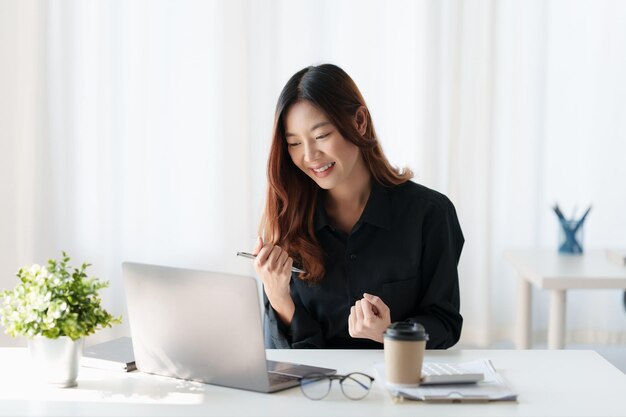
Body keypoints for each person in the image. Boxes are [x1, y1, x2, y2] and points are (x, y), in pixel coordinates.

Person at [252, 63, 464, 349]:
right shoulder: (287, 221)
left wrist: (391, 333)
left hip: (397, 385)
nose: (310, 155)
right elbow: (287, 359)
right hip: (315, 391)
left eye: (321, 136)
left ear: (359, 121)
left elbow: (446, 325)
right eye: (294, 143)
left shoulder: (430, 214)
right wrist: (278, 298)